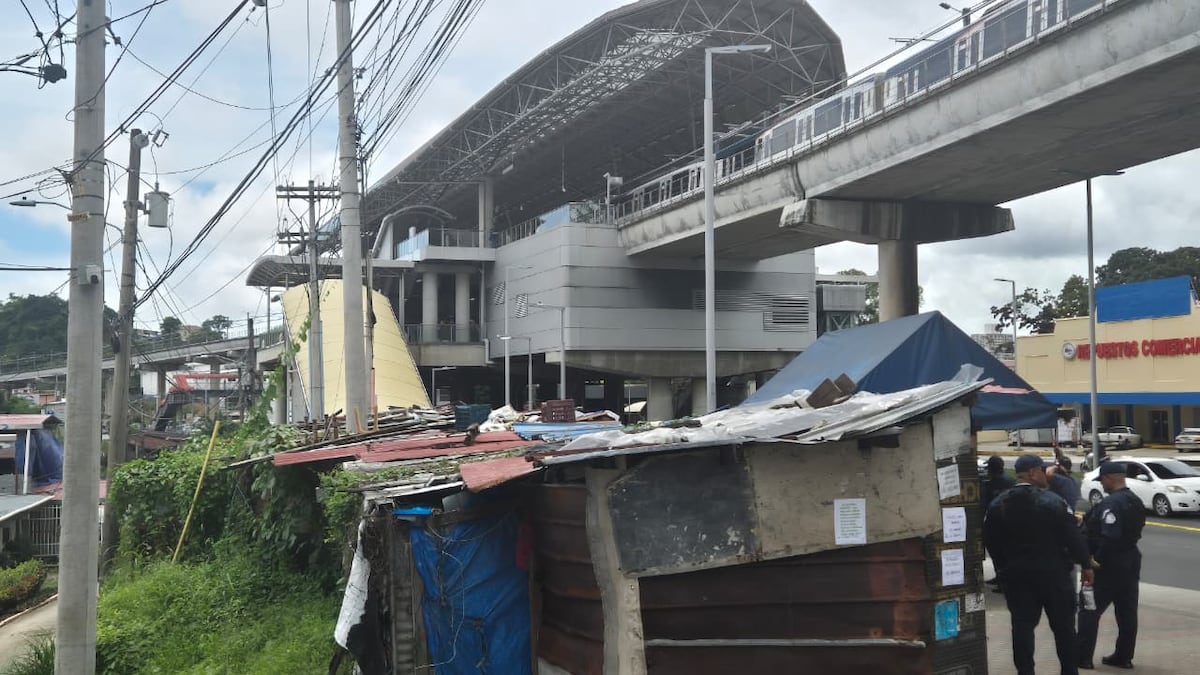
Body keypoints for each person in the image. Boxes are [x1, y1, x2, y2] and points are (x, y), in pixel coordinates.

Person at [984, 454, 1096, 675]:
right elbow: (1072, 537)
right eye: (1043, 471)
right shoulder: (1052, 501)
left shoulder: (998, 504)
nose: (1046, 476)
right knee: (1064, 628)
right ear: (1033, 473)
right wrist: (1086, 565)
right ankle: (1069, 670)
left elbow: (990, 541)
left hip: (1018, 576)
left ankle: (1025, 671)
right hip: (1054, 575)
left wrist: (1003, 568)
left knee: (1022, 628)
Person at [1077, 462, 1145, 670]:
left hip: (1107, 565)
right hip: (1130, 561)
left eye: (1102, 481)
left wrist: (1094, 563)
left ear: (1109, 478)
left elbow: (1110, 537)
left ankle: (1082, 657)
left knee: (1089, 609)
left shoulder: (1112, 504)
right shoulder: (1134, 500)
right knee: (1126, 612)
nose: (1102, 485)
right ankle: (1124, 656)